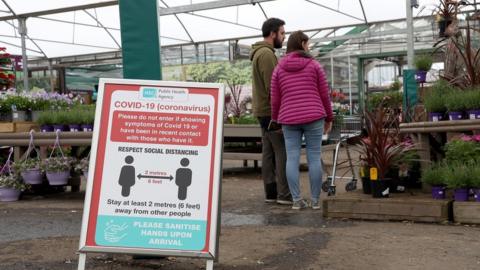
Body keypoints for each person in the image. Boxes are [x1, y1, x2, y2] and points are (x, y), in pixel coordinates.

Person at [270, 30, 334, 210]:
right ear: (303, 44)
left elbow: (275, 99)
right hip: (314, 116)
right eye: (308, 43)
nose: (309, 47)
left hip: (288, 119)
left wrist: (276, 118)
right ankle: (314, 201)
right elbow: (324, 95)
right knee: (314, 157)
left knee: (292, 158)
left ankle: (297, 200)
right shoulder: (314, 66)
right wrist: (329, 117)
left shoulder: (279, 68)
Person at [250, 18, 291, 205]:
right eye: (282, 33)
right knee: (281, 150)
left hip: (262, 110)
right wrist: (279, 114)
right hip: (270, 111)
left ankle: (271, 193)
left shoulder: (259, 53)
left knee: (268, 151)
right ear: (273, 33)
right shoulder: (267, 55)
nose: (283, 37)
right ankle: (284, 194)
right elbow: (273, 88)